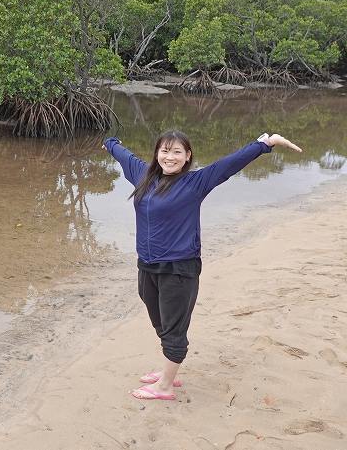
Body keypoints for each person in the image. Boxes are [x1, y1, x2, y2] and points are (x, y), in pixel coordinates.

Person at [102, 130, 302, 401]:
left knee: (174, 327)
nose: (169, 157)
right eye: (164, 150)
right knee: (158, 318)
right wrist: (109, 143)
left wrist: (264, 144)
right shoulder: (143, 175)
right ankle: (168, 369)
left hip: (179, 268)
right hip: (147, 265)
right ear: (157, 153)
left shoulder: (195, 182)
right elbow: (124, 155)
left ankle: (165, 386)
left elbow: (228, 165)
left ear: (187, 157)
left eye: (177, 152)